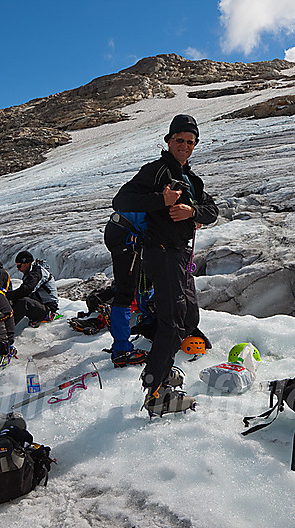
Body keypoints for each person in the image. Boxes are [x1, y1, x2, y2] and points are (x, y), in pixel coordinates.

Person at [112, 114, 218, 416]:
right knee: (170, 321)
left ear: (195, 144)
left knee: (182, 315)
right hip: (161, 252)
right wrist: (162, 199)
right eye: (179, 140)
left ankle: (162, 374)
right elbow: (121, 201)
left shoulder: (193, 179)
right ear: (169, 141)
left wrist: (191, 212)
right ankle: (156, 391)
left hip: (180, 253)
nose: (184, 145)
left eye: (190, 141)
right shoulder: (156, 171)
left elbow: (212, 210)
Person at [103, 210, 151, 367]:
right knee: (125, 292)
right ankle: (122, 350)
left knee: (133, 285)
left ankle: (146, 320)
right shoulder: (167, 200)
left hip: (121, 231)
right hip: (125, 236)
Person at [5, 251, 59, 327]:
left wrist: (7, 295)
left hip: (48, 309)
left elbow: (26, 290)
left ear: (26, 263)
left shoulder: (37, 272)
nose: (18, 269)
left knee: (24, 303)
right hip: (39, 304)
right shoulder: (31, 272)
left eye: (19, 266)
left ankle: (5, 330)